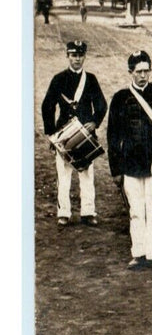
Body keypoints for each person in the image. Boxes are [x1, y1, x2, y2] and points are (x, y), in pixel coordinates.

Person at [107, 50, 152, 271]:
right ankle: (138, 253)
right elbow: (112, 136)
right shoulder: (120, 98)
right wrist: (116, 169)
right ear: (130, 72)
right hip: (131, 164)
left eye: (147, 71)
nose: (143, 76)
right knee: (136, 210)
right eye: (139, 71)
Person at [41, 40, 108, 226]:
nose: (77, 59)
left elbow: (102, 104)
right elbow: (47, 106)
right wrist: (52, 134)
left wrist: (94, 122)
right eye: (73, 55)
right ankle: (63, 212)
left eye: (80, 55)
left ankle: (88, 212)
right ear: (67, 56)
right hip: (64, 133)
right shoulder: (58, 79)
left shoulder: (91, 79)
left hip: (84, 134)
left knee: (86, 174)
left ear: (84, 56)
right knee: (63, 175)